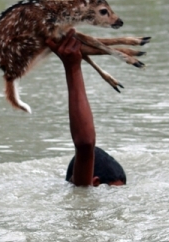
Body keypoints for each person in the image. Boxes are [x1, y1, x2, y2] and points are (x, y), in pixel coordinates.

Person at [46, 29, 126, 187]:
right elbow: (85, 144)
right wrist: (73, 68)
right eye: (113, 191)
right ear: (94, 182)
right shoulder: (84, 189)